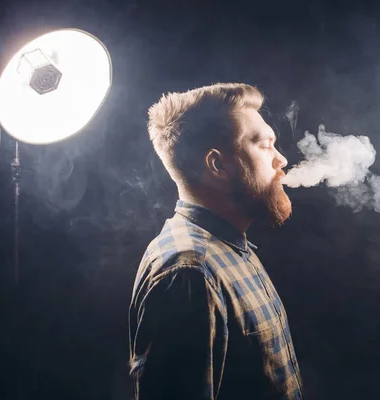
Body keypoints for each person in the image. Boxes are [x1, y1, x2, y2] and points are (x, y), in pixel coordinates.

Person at [128, 83, 303, 400]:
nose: (282, 160)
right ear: (218, 165)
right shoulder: (190, 274)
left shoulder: (230, 247)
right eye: (264, 146)